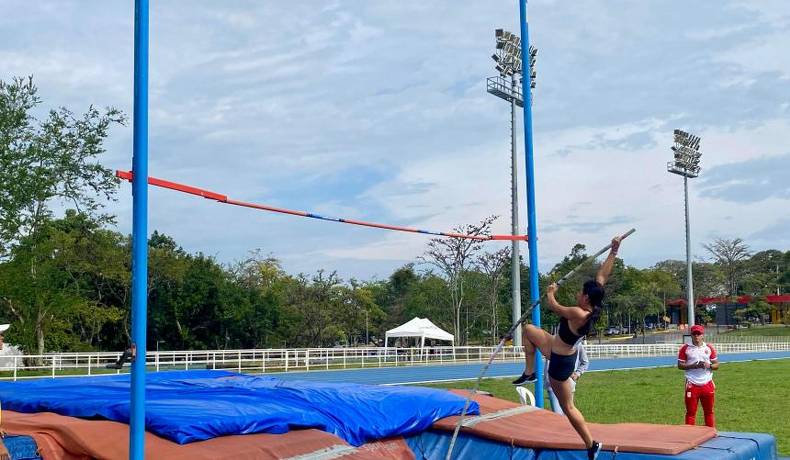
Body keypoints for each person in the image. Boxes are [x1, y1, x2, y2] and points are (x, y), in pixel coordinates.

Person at [511, 235, 622, 460]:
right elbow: (602, 275)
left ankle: (591, 444)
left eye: (581, 292)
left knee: (568, 408)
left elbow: (554, 306)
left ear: (586, 298)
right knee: (529, 330)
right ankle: (529, 372)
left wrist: (551, 292)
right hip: (555, 346)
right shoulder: (595, 300)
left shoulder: (580, 314)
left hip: (560, 362)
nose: (578, 293)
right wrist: (614, 251)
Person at [677, 324, 718, 427]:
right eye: (694, 334)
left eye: (698, 334)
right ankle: (689, 436)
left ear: (702, 335)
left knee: (709, 412)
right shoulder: (685, 348)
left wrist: (709, 366)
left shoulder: (708, 348)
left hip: (707, 383)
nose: (696, 336)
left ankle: (711, 433)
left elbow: (716, 364)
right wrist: (693, 366)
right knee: (691, 412)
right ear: (691, 335)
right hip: (692, 383)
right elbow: (680, 365)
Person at [545, 342, 589, 415]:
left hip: (568, 384)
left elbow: (585, 362)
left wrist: (577, 374)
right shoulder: (551, 341)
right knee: (558, 415)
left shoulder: (577, 344)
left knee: (568, 414)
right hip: (552, 385)